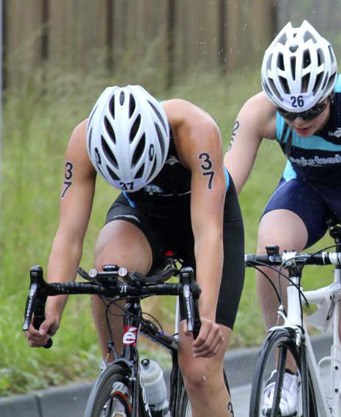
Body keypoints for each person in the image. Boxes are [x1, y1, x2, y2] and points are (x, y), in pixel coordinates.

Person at [24, 85, 244, 417]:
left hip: (206, 222)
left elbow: (208, 232)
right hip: (144, 217)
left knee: (198, 366)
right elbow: (69, 237)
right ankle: (119, 378)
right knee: (110, 273)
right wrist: (52, 309)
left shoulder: (195, 130)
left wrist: (206, 314)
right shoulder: (84, 139)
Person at [224, 20, 341, 416]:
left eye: (313, 110)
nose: (300, 122)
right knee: (270, 250)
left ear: (329, 90)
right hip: (310, 192)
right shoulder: (259, 111)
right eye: (289, 112)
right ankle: (285, 369)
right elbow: (224, 188)